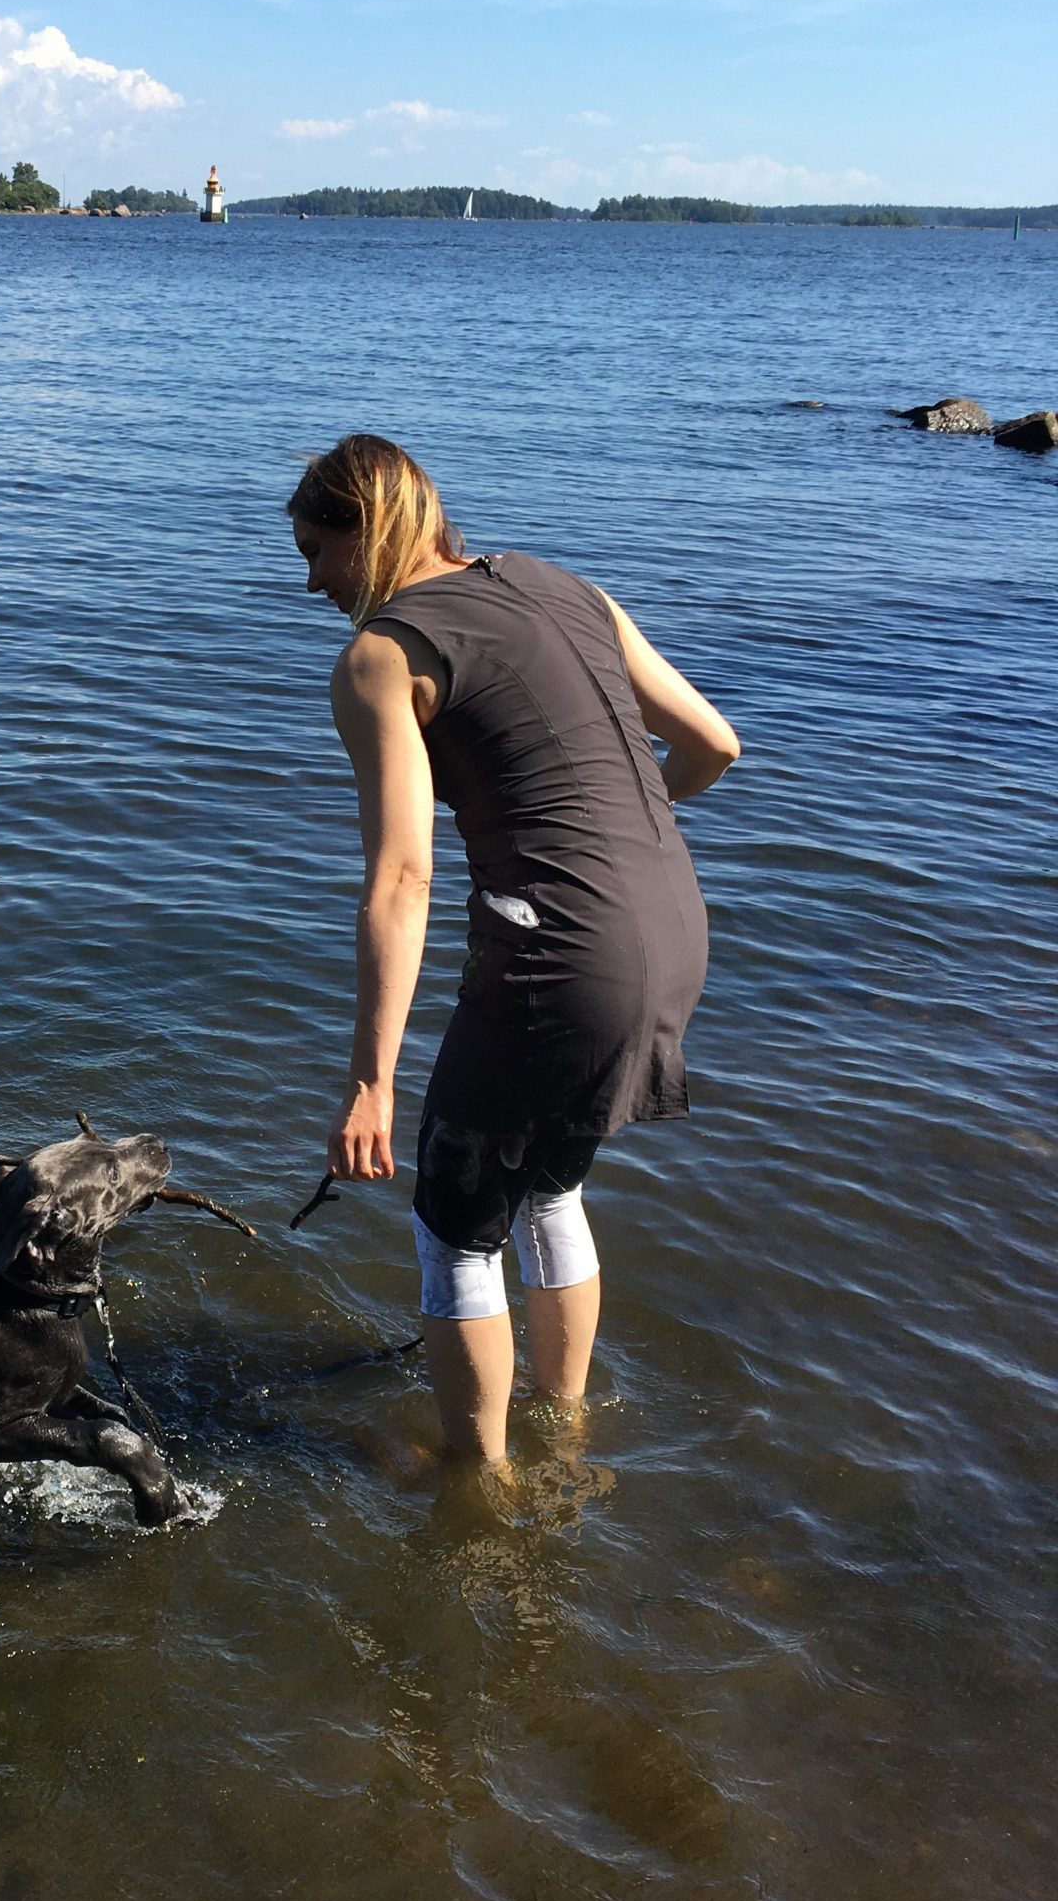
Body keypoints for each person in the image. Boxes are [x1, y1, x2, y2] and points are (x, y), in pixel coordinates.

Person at [291, 433, 740, 1463]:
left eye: (316, 551)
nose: (312, 583)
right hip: (674, 928)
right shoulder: (568, 587)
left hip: (562, 961)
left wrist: (370, 1082)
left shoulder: (382, 656)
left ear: (369, 530)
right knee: (546, 1187)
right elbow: (714, 744)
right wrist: (617, 848)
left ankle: (478, 1489)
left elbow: (402, 878)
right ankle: (564, 1431)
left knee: (454, 1225)